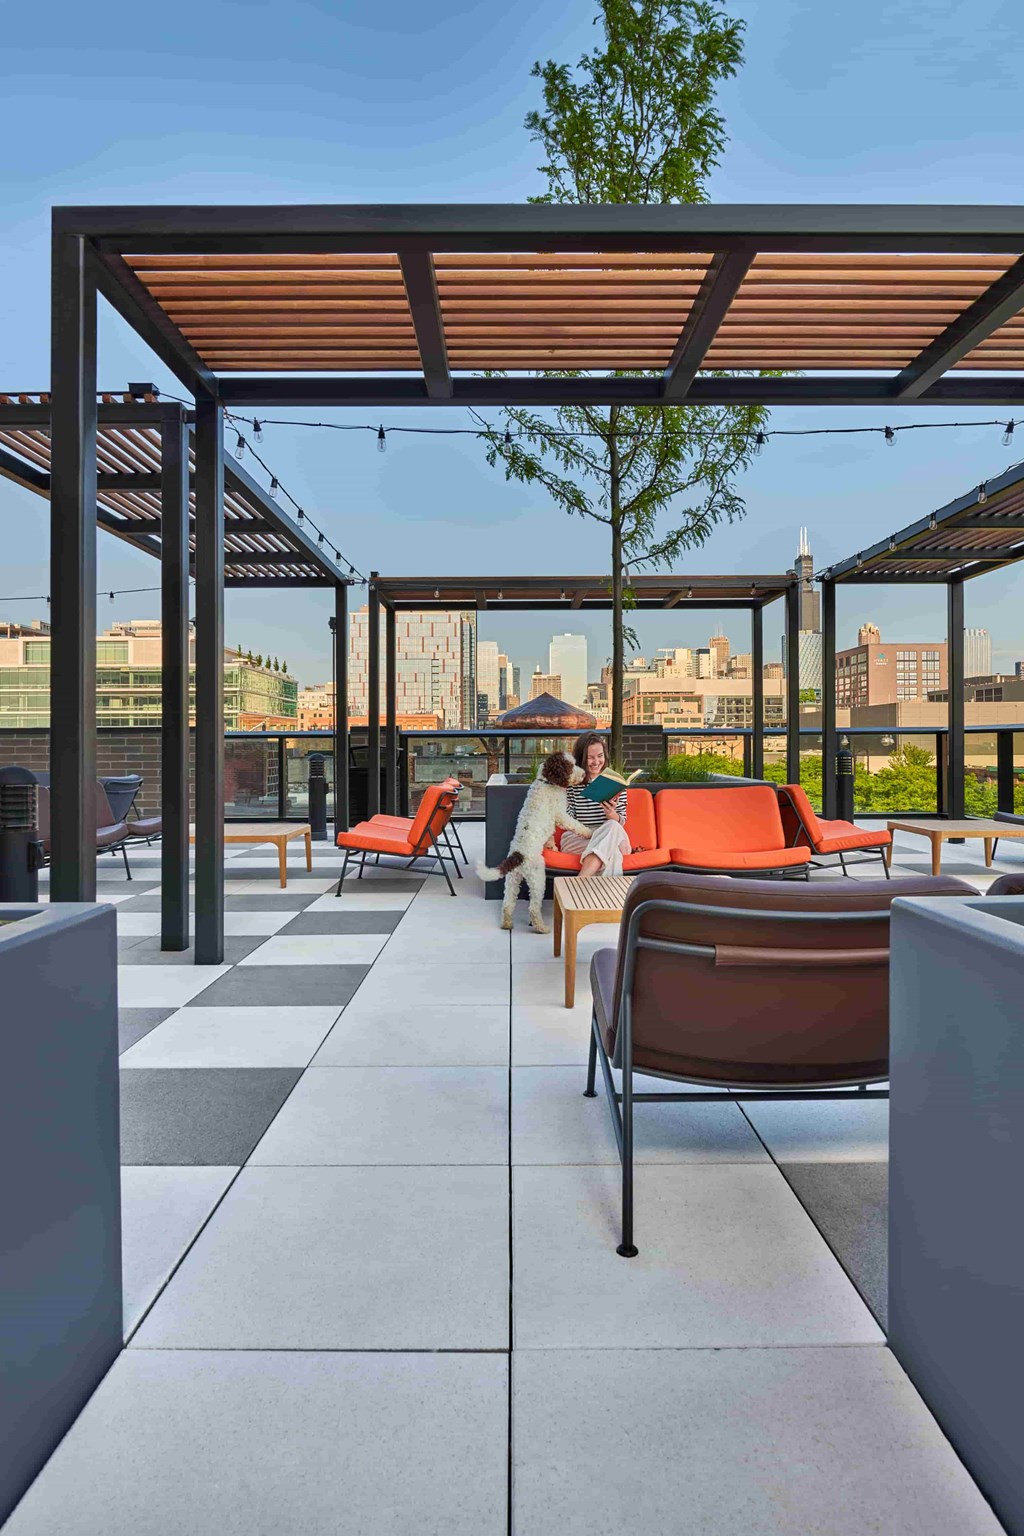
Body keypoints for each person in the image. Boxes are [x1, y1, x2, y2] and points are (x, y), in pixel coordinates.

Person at [560, 732, 631, 878]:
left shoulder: (614, 782)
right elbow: (567, 820)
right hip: (578, 838)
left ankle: (579, 883)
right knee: (613, 854)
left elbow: (621, 821)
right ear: (581, 759)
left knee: (613, 827)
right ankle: (608, 900)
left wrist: (612, 815)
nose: (596, 761)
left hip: (611, 834)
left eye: (600, 756)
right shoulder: (572, 784)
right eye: (590, 758)